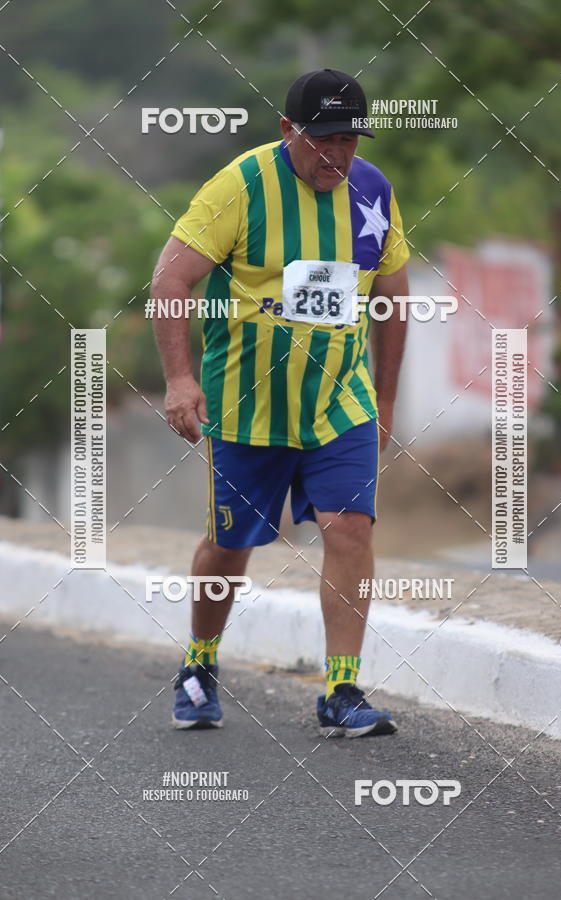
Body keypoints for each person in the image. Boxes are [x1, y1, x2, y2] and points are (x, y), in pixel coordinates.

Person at [151, 68, 410, 738]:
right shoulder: (240, 185)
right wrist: (180, 381)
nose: (337, 154)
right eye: (322, 139)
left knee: (350, 526)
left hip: (338, 399)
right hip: (247, 399)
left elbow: (394, 296)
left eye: (350, 138)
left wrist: (383, 398)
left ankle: (341, 689)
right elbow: (171, 278)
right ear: (287, 129)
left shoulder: (374, 190)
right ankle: (199, 665)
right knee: (230, 544)